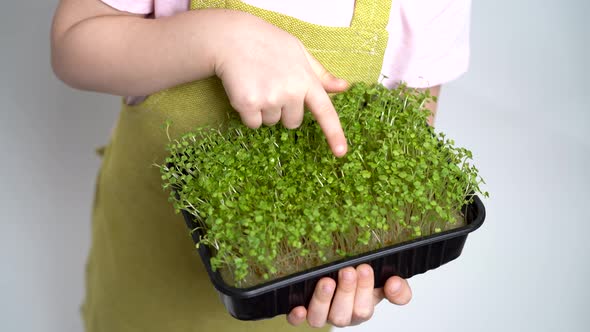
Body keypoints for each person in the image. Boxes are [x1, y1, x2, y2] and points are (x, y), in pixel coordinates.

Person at [50, 0, 471, 331]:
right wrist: (219, 39)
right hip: (141, 274)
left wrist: (371, 271)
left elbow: (408, 149)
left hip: (293, 310)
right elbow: (72, 43)